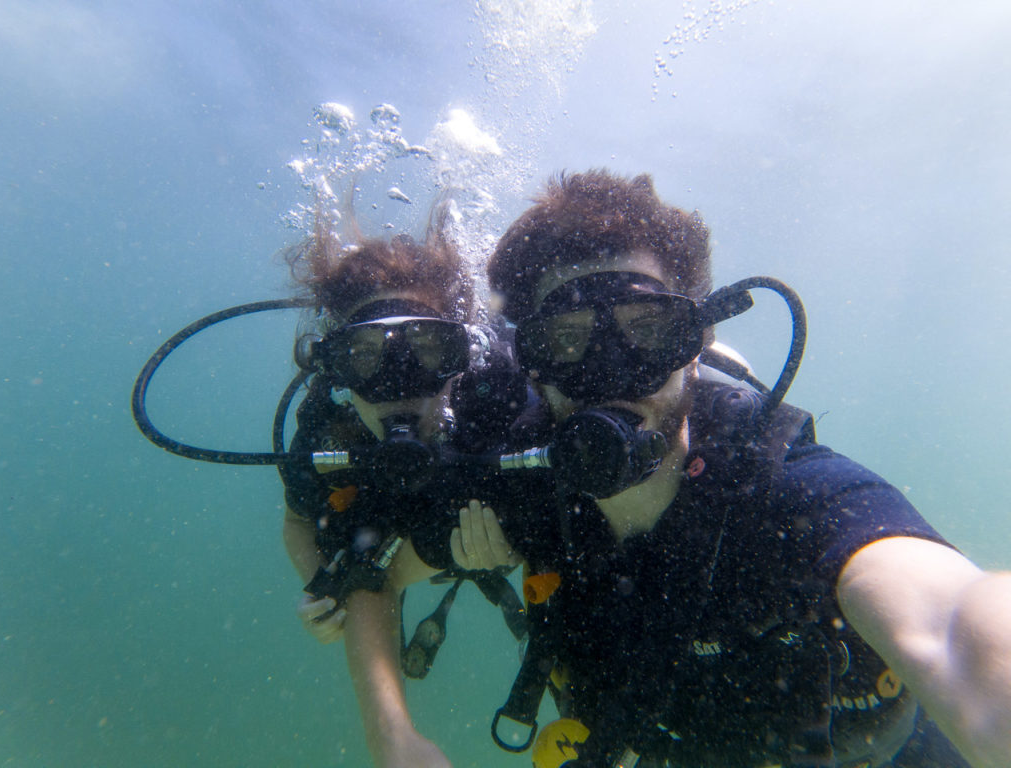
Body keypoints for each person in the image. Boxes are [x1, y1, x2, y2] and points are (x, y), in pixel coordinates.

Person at [479, 169, 1011, 768]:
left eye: (648, 332)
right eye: (568, 340)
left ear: (696, 345)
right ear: (532, 363)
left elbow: (954, 616)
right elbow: (383, 560)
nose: (609, 374)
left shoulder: (790, 490)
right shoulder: (522, 488)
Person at [279, 209, 523, 768]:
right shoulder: (325, 431)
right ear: (336, 372)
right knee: (361, 546)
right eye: (364, 357)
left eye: (430, 350)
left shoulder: (502, 394)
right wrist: (323, 579)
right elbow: (299, 523)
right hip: (392, 533)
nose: (397, 385)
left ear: (462, 354)